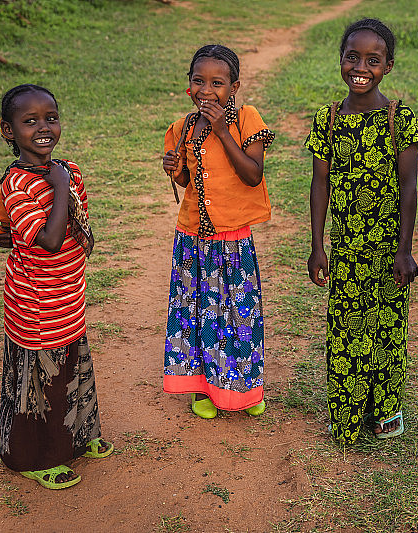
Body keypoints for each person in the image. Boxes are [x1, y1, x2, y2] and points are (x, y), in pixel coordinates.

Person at [305, 18, 418, 444]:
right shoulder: (329, 119)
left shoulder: (398, 118)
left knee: (387, 331)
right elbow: (321, 183)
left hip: (390, 249)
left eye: (373, 60)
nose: (361, 67)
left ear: (388, 66)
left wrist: (405, 250)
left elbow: (408, 186)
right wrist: (318, 246)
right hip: (347, 248)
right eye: (352, 57)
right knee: (346, 330)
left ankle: (387, 414)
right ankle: (347, 418)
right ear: (341, 60)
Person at [0, 84, 111, 490]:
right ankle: (34, 457)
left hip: (68, 292)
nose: (43, 127)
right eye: (29, 121)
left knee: (72, 370)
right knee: (39, 381)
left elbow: (77, 227)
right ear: (9, 131)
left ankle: (78, 438)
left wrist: (64, 181)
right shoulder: (18, 184)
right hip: (35, 305)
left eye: (51, 118)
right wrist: (59, 185)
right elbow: (48, 239)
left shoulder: (69, 170)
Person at [162, 45, 274, 419]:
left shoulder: (247, 120)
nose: (207, 90)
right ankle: (202, 389)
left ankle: (246, 387)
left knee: (239, 315)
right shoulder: (182, 128)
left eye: (217, 83)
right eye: (199, 81)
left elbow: (252, 174)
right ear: (188, 87)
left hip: (233, 239)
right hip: (193, 238)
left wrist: (224, 132)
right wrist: (174, 168)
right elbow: (186, 180)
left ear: (235, 86)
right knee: (196, 312)